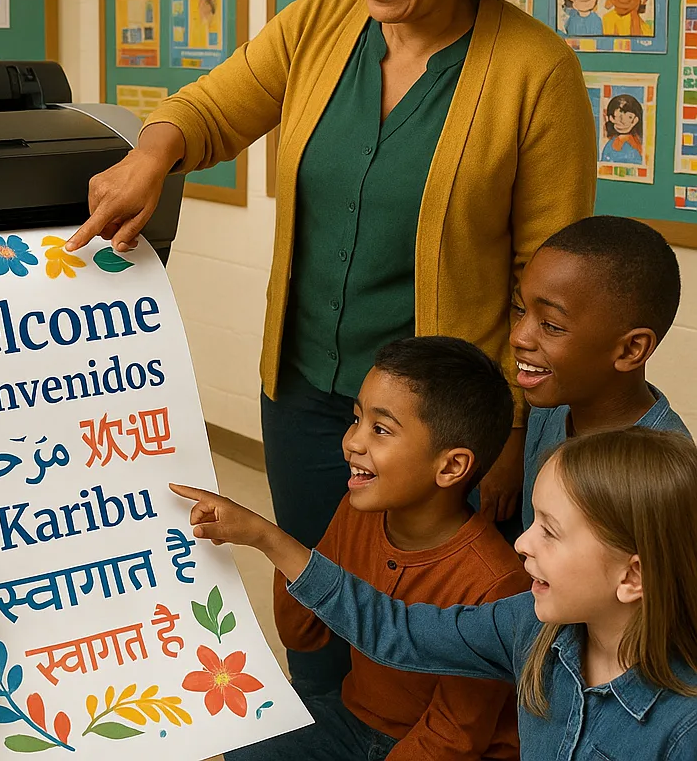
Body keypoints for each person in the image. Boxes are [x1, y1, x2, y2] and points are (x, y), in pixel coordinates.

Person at [67, 0, 596, 693]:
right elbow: (208, 107)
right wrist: (153, 152)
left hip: (445, 426)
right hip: (309, 397)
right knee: (312, 603)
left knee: (428, 641)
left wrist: (513, 428)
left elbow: (551, 291)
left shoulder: (535, 72)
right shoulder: (318, 26)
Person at [172, 426, 697, 761]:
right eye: (532, 520)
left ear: (632, 578)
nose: (521, 542)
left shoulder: (683, 728)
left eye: (550, 532)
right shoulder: (531, 625)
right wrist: (267, 538)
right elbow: (394, 630)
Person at [226, 337, 529, 761]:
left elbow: (453, 738)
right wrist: (276, 547)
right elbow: (302, 634)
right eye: (356, 418)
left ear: (452, 466)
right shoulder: (359, 511)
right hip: (352, 720)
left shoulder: (497, 583)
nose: (352, 441)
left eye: (380, 429)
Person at [512, 216, 692, 529]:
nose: (518, 337)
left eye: (551, 326)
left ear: (630, 349)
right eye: (519, 308)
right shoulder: (550, 409)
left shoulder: (663, 478)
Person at [599, 94, 643, 164]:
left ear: (635, 120)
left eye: (629, 117)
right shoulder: (610, 145)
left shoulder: (638, 143)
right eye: (618, 117)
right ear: (611, 118)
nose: (623, 121)